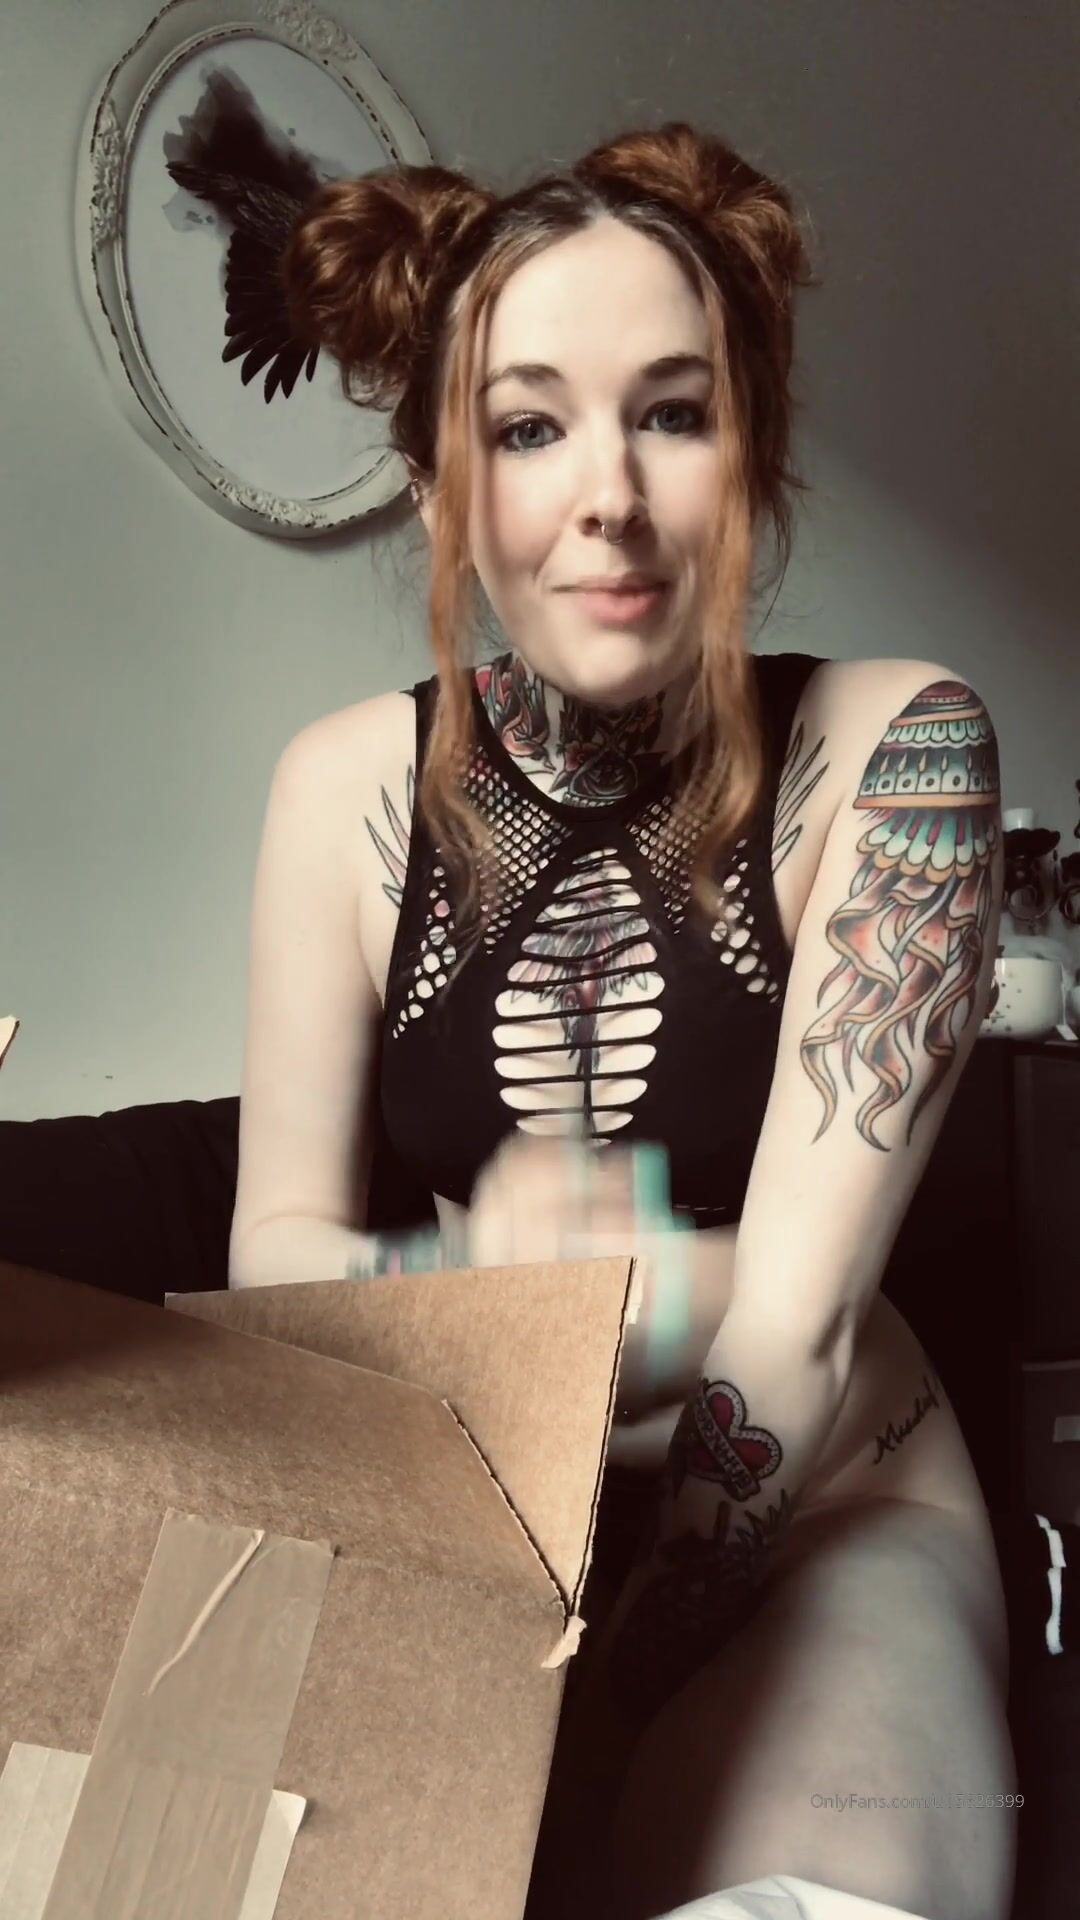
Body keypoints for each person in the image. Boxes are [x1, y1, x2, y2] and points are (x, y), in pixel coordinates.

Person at [226, 122, 1017, 1919]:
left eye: (675, 412)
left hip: (828, 1520)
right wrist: (465, 1294)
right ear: (441, 486)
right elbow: (274, 1266)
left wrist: (590, 1729)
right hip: (466, 1532)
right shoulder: (340, 790)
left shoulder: (899, 755)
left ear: (753, 452)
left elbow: (800, 1333)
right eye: (529, 427)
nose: (613, 495)